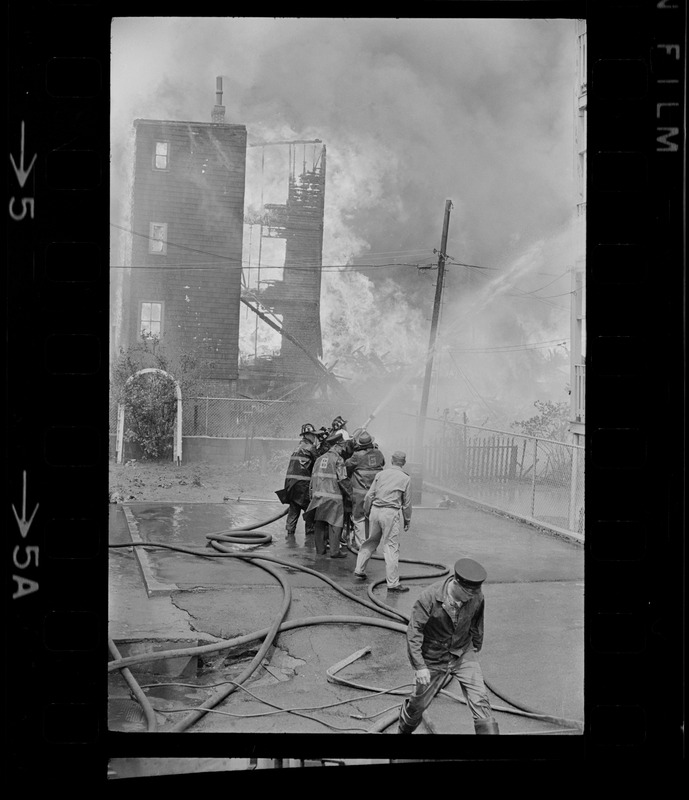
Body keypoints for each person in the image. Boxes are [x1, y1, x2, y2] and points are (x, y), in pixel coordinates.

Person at [398, 558, 499, 735]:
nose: (472, 597)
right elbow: (414, 632)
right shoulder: (428, 598)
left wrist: (475, 647)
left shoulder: (476, 596)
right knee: (418, 705)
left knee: (480, 699)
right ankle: (402, 732)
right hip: (433, 657)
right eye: (468, 593)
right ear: (456, 584)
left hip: (462, 652)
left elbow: (477, 623)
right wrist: (420, 667)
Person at [353, 450, 411, 591]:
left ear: (391, 460)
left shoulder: (380, 474)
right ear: (403, 463)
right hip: (390, 513)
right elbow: (407, 503)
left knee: (371, 541)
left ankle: (359, 570)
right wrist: (407, 519)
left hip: (375, 510)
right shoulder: (405, 478)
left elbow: (369, 496)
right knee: (391, 546)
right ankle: (393, 583)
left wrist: (367, 511)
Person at [304, 431, 351, 558]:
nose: (343, 449)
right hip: (333, 497)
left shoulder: (319, 459)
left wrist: (312, 496)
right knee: (335, 523)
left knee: (319, 522)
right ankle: (335, 552)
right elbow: (343, 479)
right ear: (336, 446)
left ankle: (320, 550)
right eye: (342, 446)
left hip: (319, 497)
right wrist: (350, 495)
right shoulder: (338, 459)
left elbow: (312, 480)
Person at [276, 423, 319, 538]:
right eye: (313, 435)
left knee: (294, 509)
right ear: (308, 435)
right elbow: (318, 461)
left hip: (292, 485)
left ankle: (290, 534)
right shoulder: (311, 448)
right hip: (303, 485)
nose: (315, 437)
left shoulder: (298, 446)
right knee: (309, 510)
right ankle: (310, 535)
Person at [345, 430, 385, 548]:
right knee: (370, 518)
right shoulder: (379, 453)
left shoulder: (357, 455)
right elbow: (382, 463)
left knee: (359, 518)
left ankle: (361, 545)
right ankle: (370, 544)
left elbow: (347, 465)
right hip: (375, 493)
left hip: (360, 493)